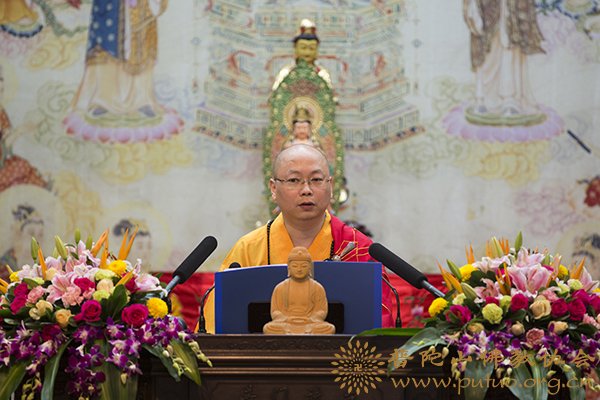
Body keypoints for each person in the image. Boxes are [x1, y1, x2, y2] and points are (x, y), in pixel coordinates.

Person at [204, 144, 394, 332]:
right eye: (294, 180)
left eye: (316, 180)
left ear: (330, 185)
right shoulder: (248, 248)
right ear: (273, 188)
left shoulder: (358, 248)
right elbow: (217, 325)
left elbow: (379, 327)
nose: (306, 190)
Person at [263, 246, 335, 334]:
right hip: (287, 323)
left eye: (304, 266)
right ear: (289, 268)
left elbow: (322, 311)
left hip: (309, 323)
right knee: (269, 328)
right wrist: (286, 318)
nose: (299, 269)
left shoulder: (317, 287)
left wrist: (311, 319)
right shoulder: (280, 287)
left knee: (328, 328)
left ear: (309, 268)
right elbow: (275, 311)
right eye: (295, 266)